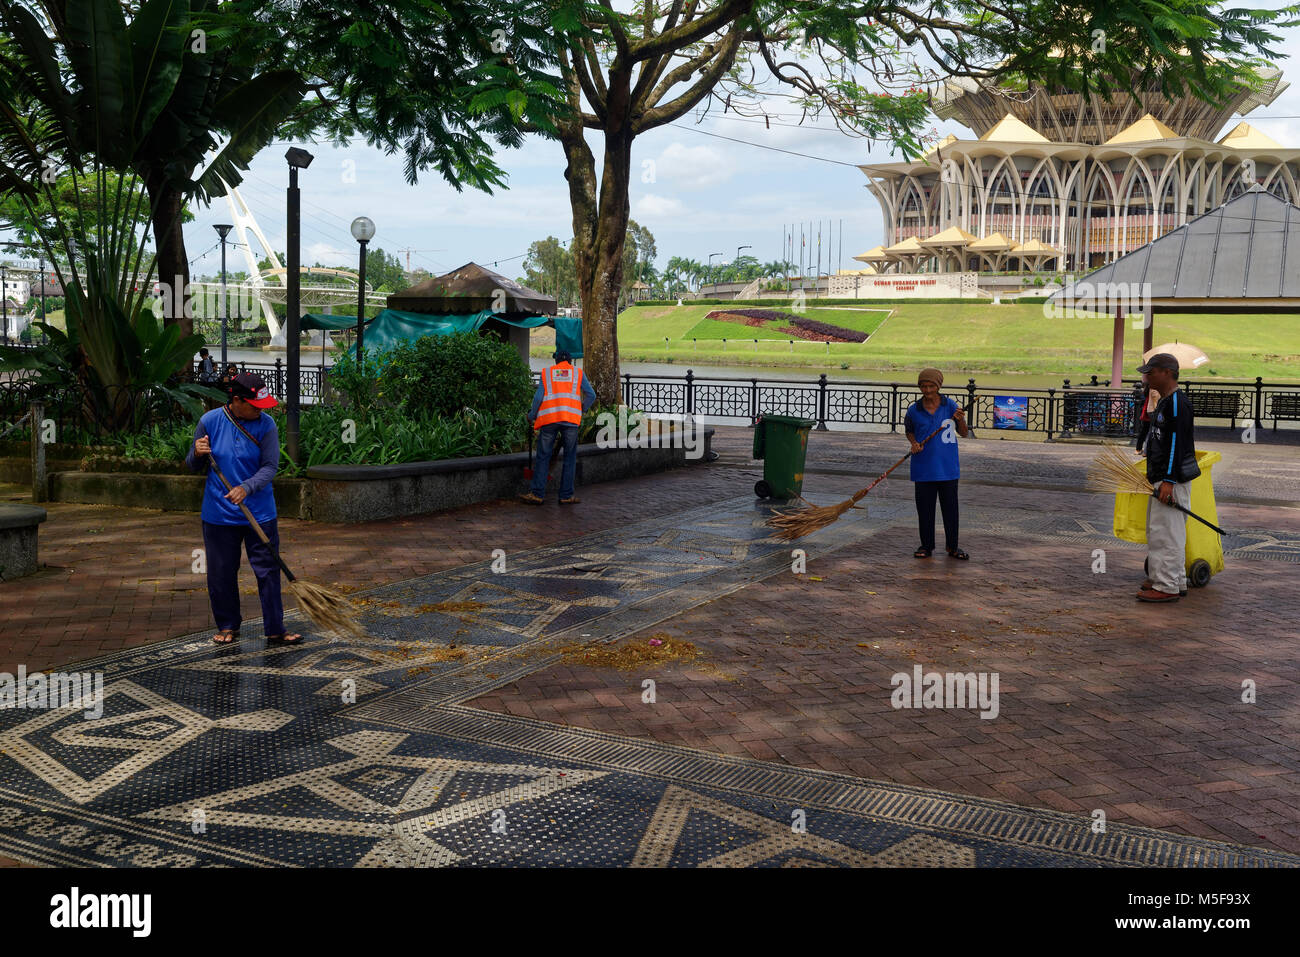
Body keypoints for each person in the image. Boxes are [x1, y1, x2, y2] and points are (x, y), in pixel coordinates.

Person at [185, 372, 301, 644]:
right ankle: (227, 625)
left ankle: (275, 628)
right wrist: (197, 452)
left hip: (259, 513)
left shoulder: (267, 425)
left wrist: (246, 487)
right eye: (254, 406)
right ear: (236, 400)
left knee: (267, 571)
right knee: (221, 572)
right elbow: (192, 465)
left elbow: (270, 466)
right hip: (219, 514)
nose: (260, 411)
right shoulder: (209, 422)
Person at [1136, 353, 1198, 602]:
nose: (1146, 376)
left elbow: (1176, 444)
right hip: (1162, 477)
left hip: (1171, 479)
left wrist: (1169, 481)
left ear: (1166, 372)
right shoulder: (1165, 401)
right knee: (1161, 531)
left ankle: (1167, 586)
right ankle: (1172, 579)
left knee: (1167, 533)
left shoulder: (1175, 404)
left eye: (1151, 372)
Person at [904, 367, 969, 559]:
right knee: (925, 511)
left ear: (938, 386)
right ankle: (926, 546)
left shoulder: (950, 406)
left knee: (950, 510)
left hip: (948, 469)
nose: (927, 390)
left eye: (931, 386)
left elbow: (964, 432)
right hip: (923, 469)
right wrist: (914, 443)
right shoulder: (914, 410)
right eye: (923, 386)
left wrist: (961, 419)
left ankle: (953, 547)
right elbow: (909, 430)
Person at [519, 349, 596, 505]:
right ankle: (566, 495)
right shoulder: (578, 373)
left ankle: (537, 494)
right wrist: (583, 408)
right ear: (568, 361)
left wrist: (532, 415)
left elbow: (538, 397)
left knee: (543, 457)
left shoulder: (547, 373)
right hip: (571, 420)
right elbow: (591, 395)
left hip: (550, 419)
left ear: (556, 361)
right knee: (569, 458)